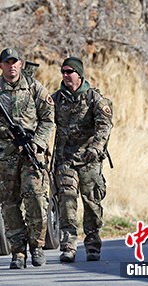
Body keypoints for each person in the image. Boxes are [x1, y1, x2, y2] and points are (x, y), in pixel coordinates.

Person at [0, 48, 55, 269]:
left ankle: (36, 246)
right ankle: (18, 252)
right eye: (7, 63)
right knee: (9, 204)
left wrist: (38, 143)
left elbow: (48, 118)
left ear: (21, 64)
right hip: (4, 155)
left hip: (30, 153)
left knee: (36, 199)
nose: (12, 66)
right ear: (1, 66)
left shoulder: (34, 87)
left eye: (15, 62)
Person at [51, 56, 113, 263]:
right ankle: (68, 246)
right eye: (63, 72)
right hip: (65, 160)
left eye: (70, 71)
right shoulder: (56, 99)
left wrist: (96, 147)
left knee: (91, 203)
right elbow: (42, 121)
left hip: (89, 160)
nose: (66, 76)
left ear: (79, 74)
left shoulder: (93, 98)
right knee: (66, 203)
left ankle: (93, 245)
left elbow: (104, 125)